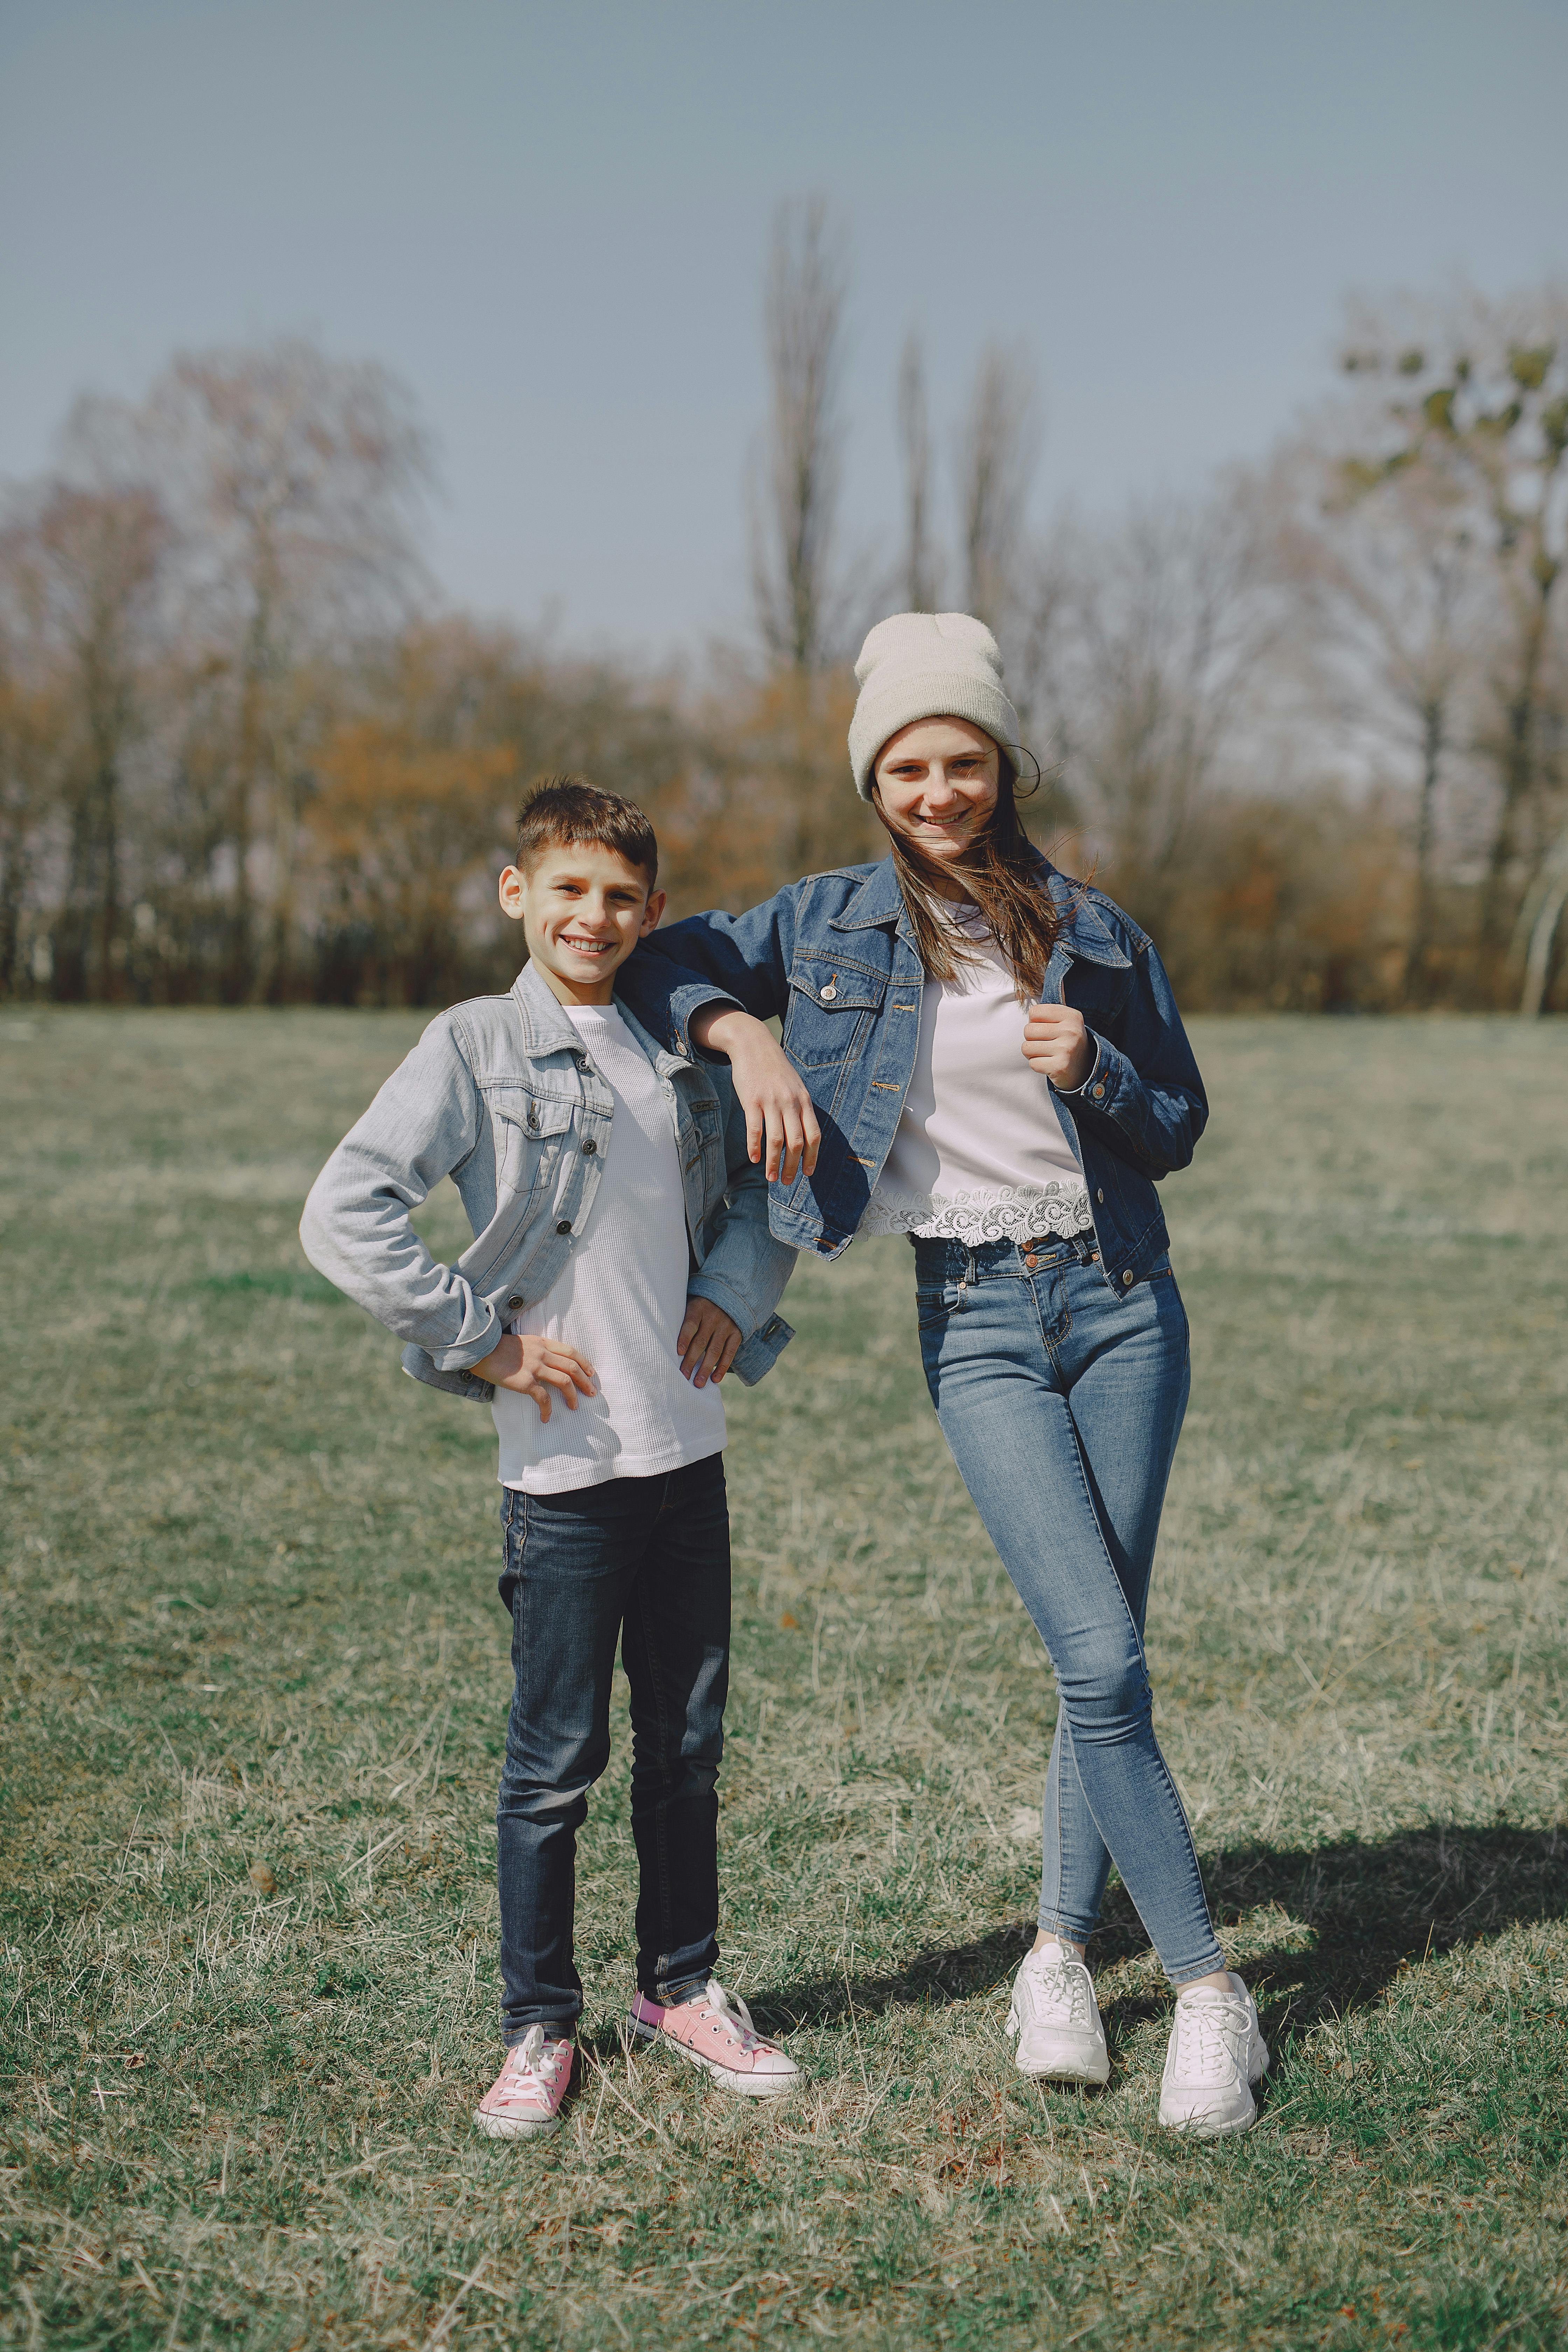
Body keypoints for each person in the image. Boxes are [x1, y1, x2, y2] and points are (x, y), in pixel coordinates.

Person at [618, 615, 1268, 2138]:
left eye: (960, 759)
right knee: (1102, 1661)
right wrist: (745, 1038)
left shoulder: (1094, 930)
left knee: (1090, 1652)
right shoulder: (829, 922)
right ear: (874, 776)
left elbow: (1176, 1119)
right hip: (973, 1315)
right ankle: (1204, 1990)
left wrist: (1090, 1070)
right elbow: (660, 959)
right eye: (905, 765)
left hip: (1121, 1306)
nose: (935, 788)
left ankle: (1052, 1954)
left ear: (1002, 763)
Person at [300, 777, 802, 2139]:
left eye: (623, 896)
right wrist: (483, 1342)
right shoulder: (475, 1043)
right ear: (518, 893)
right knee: (554, 1765)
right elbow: (345, 1210)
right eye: (569, 888)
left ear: (651, 913)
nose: (596, 915)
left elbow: (766, 1191)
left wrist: (734, 1295)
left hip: (684, 1453)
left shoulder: (674, 1046)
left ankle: (681, 1989)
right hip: (563, 1478)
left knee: (685, 1753)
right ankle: (537, 2026)